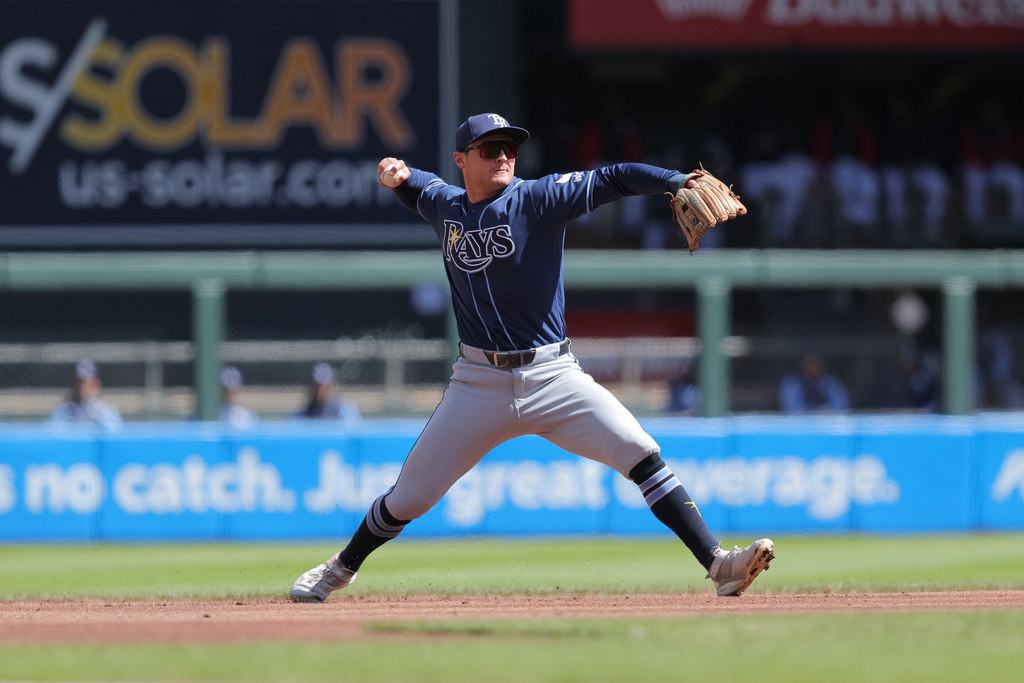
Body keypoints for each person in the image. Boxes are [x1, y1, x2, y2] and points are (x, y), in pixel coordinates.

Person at [289, 113, 774, 603]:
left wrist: (673, 181)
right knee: (407, 499)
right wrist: (397, 173)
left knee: (641, 453)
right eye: (489, 149)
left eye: (509, 148)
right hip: (477, 382)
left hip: (553, 375)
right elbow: (417, 188)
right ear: (462, 159)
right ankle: (341, 568)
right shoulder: (446, 206)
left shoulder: (538, 198)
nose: (503, 156)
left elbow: (614, 177)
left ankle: (718, 564)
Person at [50, 359, 122, 430]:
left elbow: (114, 434)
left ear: (97, 383)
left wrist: (98, 421)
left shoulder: (105, 410)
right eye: (80, 383)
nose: (84, 387)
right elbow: (57, 435)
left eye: (90, 383)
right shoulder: (65, 410)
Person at [778, 354, 850, 414]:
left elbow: (842, 406)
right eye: (810, 361)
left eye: (817, 362)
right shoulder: (791, 383)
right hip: (800, 426)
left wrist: (825, 412)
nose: (813, 366)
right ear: (802, 364)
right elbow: (791, 408)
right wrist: (813, 413)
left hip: (828, 424)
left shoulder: (830, 382)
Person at [296, 362, 361, 424]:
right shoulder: (305, 411)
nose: (321, 390)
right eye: (317, 386)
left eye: (326, 386)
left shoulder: (344, 409)